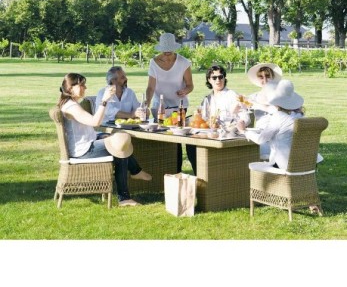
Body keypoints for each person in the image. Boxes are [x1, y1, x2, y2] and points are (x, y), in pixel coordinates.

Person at [58, 72, 152, 207]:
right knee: (120, 146)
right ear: (71, 88)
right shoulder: (71, 107)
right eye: (82, 85)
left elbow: (89, 127)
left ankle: (134, 175)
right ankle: (126, 192)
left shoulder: (70, 103)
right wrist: (104, 100)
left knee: (119, 143)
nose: (85, 87)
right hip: (83, 150)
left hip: (87, 143)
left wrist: (103, 136)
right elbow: (95, 122)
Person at [145, 33, 195, 173]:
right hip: (159, 106)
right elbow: (150, 87)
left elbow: (190, 85)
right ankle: (164, 171)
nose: (167, 55)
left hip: (179, 107)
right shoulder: (153, 63)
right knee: (162, 138)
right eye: (165, 52)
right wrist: (146, 104)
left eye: (170, 52)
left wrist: (185, 90)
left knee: (177, 139)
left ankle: (177, 171)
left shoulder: (183, 62)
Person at [243, 79, 304, 171]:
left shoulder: (278, 117)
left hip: (282, 165)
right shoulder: (300, 116)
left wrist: (243, 131)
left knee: (252, 166)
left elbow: (260, 139)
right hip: (303, 163)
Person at [202, 64, 250, 132]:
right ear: (209, 80)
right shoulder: (207, 99)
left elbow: (246, 117)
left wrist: (240, 123)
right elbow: (203, 119)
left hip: (230, 134)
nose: (218, 80)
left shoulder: (233, 95)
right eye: (214, 78)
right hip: (212, 133)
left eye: (220, 77)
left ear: (224, 78)